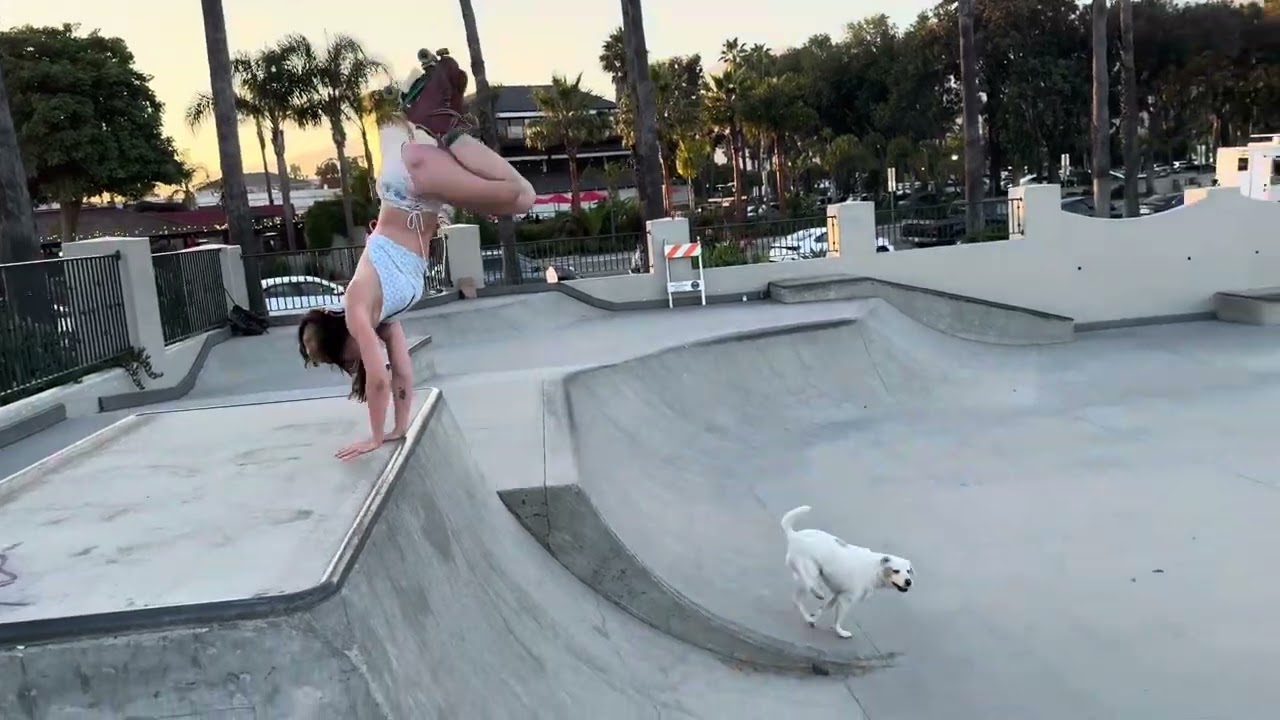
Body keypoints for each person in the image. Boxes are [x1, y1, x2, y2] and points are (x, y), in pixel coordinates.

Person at [297, 48, 535, 461]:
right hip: (416, 187)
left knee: (521, 198)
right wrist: (398, 427)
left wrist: (373, 436)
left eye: (347, 360)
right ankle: (445, 123)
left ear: (346, 342)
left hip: (411, 183)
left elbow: (379, 381)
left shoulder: (357, 306)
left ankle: (441, 122)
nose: (355, 365)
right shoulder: (382, 319)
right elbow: (402, 373)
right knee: (523, 196)